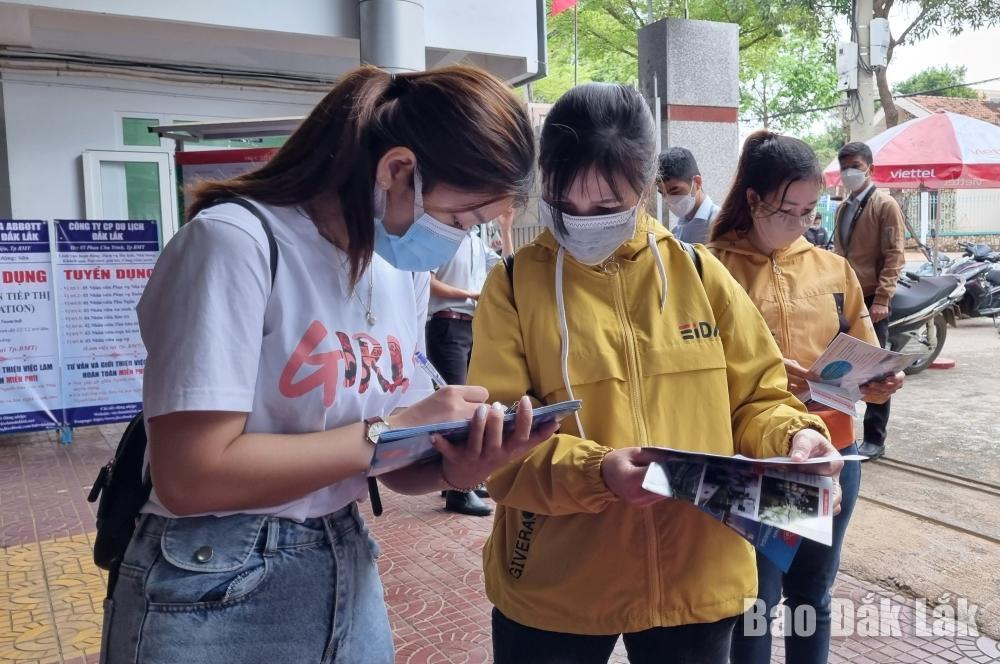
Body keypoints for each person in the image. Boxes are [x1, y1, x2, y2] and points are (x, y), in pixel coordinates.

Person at [100, 65, 558, 664]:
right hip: (210, 574)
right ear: (398, 171)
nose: (455, 243)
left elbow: (389, 468)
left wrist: (456, 464)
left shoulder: (401, 270)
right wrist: (384, 434)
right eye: (459, 221)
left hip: (341, 550)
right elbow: (190, 477)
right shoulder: (233, 244)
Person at [467, 83, 843, 664]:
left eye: (604, 206)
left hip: (696, 577)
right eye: (564, 204)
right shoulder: (515, 286)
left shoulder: (699, 273)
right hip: (556, 583)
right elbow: (494, 445)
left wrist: (795, 436)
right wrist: (597, 473)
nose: (580, 221)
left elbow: (758, 397)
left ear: (646, 188)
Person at [709, 131, 904, 664]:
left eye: (809, 210)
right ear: (753, 199)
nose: (799, 222)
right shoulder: (713, 269)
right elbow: (698, 374)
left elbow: (863, 347)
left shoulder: (832, 268)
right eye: (787, 209)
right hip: (764, 460)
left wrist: (879, 379)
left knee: (812, 599)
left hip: (834, 455)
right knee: (757, 602)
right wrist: (774, 376)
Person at [427, 206, 515, 516]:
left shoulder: (477, 241)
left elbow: (507, 268)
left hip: (471, 325)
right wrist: (468, 295)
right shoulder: (444, 239)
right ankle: (456, 493)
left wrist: (506, 229)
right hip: (446, 322)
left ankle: (461, 479)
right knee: (455, 409)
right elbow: (427, 280)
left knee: (472, 404)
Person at [833, 142, 906, 461]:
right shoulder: (843, 206)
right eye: (844, 165)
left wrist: (883, 298)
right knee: (843, 367)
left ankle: (875, 437)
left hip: (874, 298)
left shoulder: (884, 204)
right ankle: (842, 430)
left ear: (870, 168)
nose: (849, 172)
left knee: (879, 372)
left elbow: (895, 255)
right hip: (847, 298)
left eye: (856, 166)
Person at [657, 146, 719, 243]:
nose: (668, 201)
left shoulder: (721, 226)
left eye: (674, 191)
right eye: (663, 194)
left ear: (697, 182)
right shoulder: (676, 233)